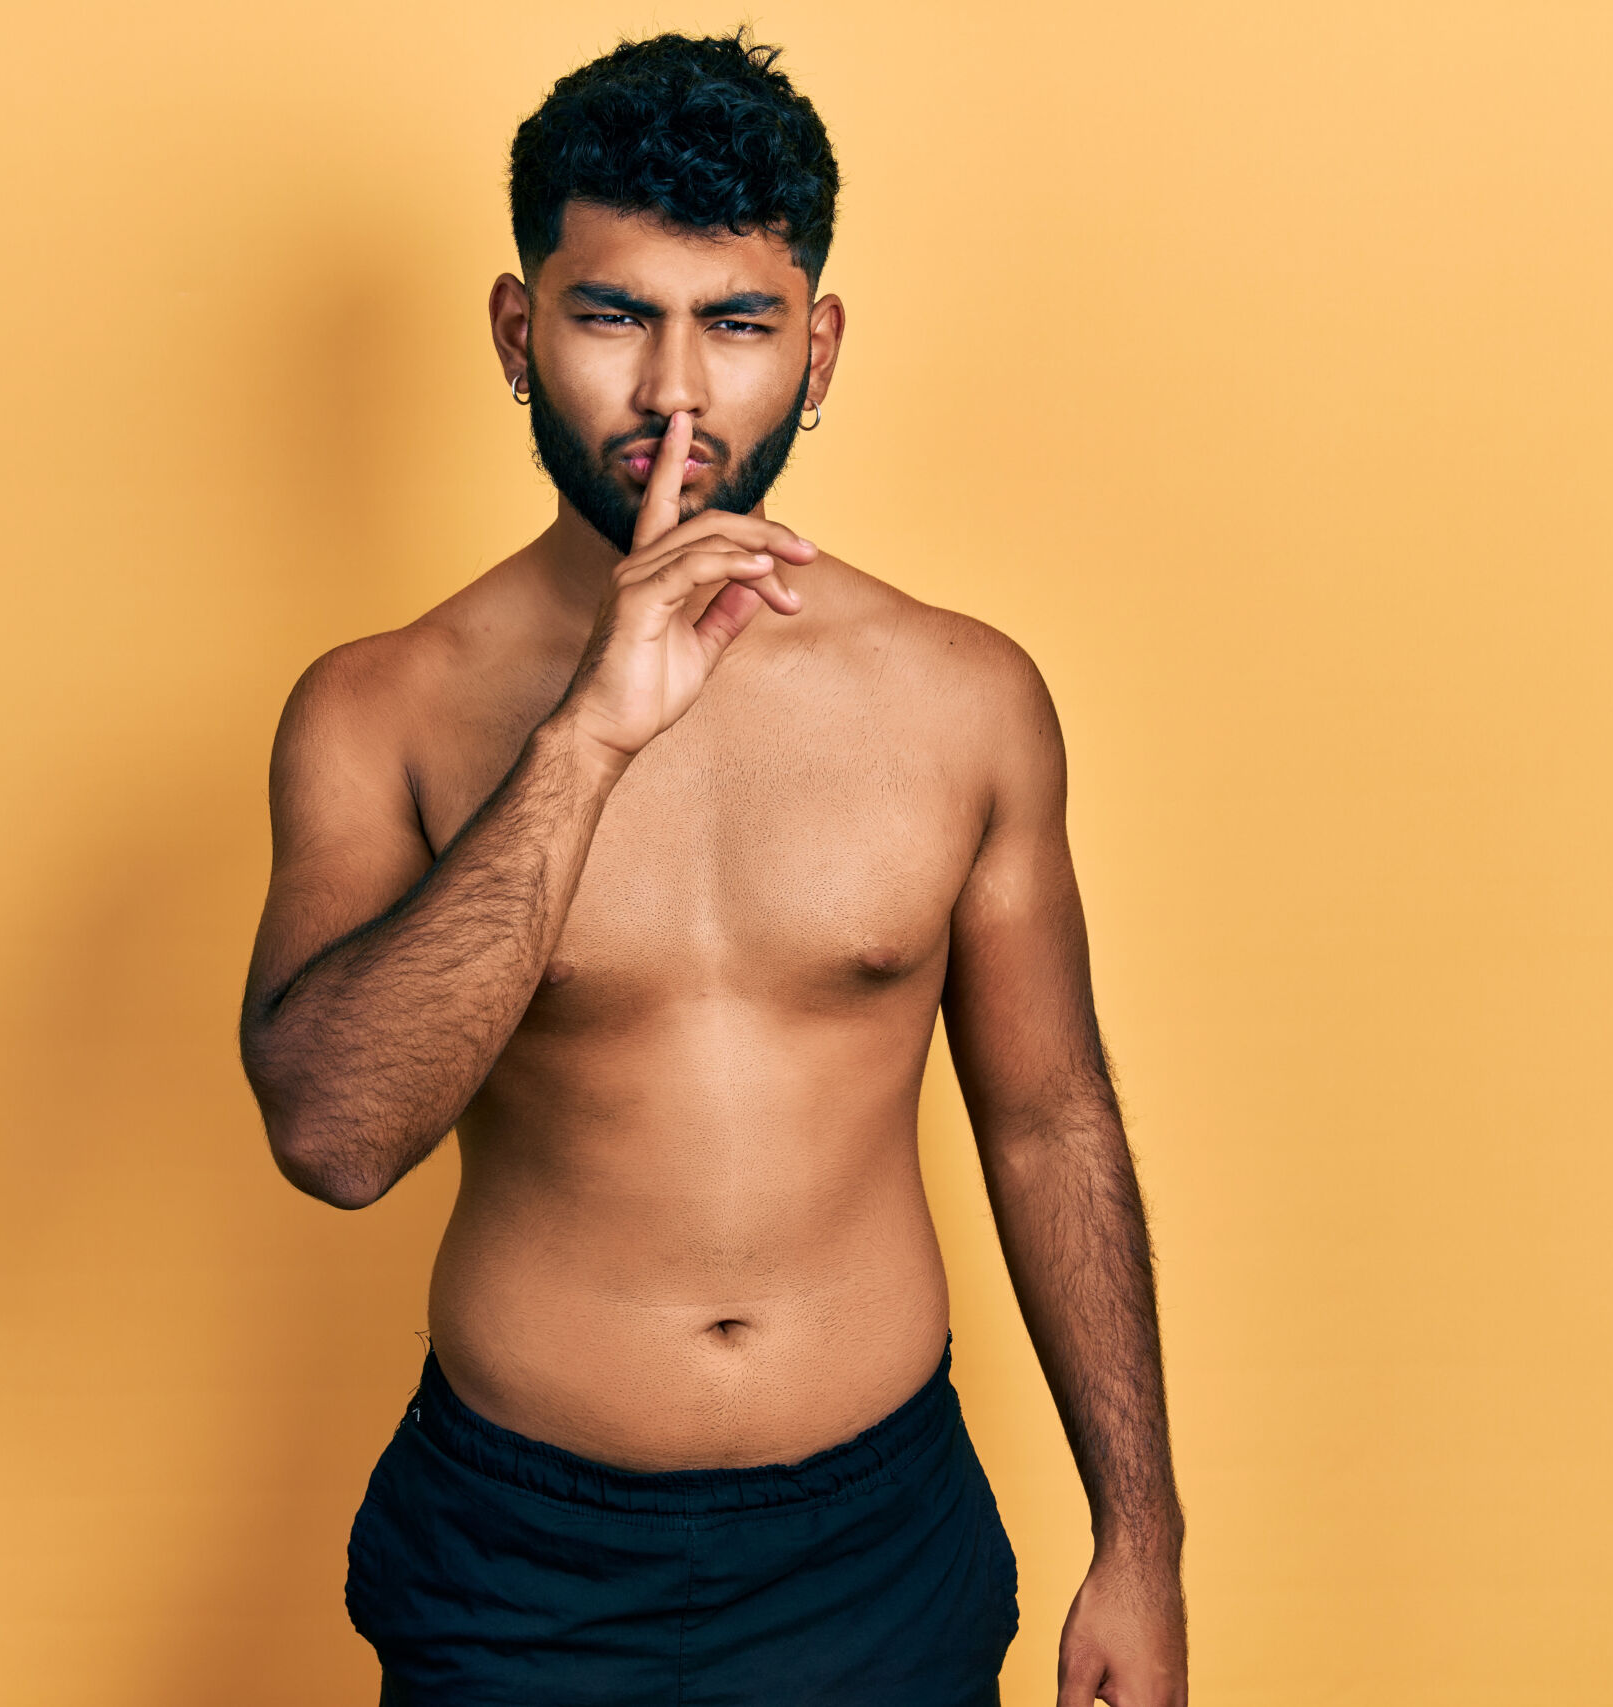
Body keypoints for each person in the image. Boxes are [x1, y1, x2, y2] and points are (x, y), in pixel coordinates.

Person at [240, 30, 1185, 1707]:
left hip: (876, 1548)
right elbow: (333, 1136)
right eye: (614, 315)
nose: (675, 394)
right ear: (518, 331)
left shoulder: (963, 701)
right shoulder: (381, 709)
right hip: (521, 1568)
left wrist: (1143, 1541)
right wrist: (588, 738)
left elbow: (1051, 1120)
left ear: (817, 349)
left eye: (738, 323)